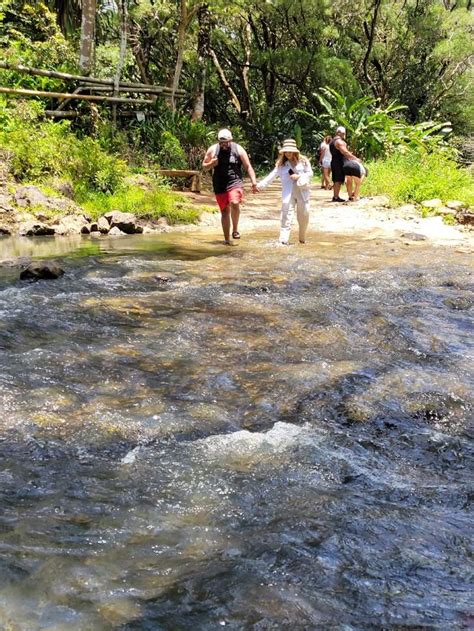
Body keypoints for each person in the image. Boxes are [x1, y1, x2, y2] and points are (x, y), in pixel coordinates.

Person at [202, 128, 258, 245]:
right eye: (221, 142)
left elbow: (248, 166)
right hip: (219, 183)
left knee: (234, 202)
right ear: (218, 141)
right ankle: (227, 240)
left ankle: (235, 230)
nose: (224, 145)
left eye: (226, 142)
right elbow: (204, 166)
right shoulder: (213, 150)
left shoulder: (238, 149)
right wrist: (212, 163)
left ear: (230, 140)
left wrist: (254, 182)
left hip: (235, 181)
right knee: (224, 211)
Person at [256, 138, 313, 245]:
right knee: (286, 216)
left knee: (304, 216)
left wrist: (299, 176)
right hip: (288, 193)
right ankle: (283, 241)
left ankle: (302, 239)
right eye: (286, 152)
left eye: (290, 151)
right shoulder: (281, 165)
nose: (288, 153)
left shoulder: (304, 162)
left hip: (302, 192)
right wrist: (259, 186)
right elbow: (271, 176)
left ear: (295, 151)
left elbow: (310, 174)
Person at [329, 126, 366, 202]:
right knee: (339, 180)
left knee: (337, 179)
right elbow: (345, 152)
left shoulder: (332, 141)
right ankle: (340, 196)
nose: (344, 135)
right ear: (339, 133)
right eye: (343, 134)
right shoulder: (339, 142)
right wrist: (355, 158)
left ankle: (336, 196)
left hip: (334, 161)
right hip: (339, 162)